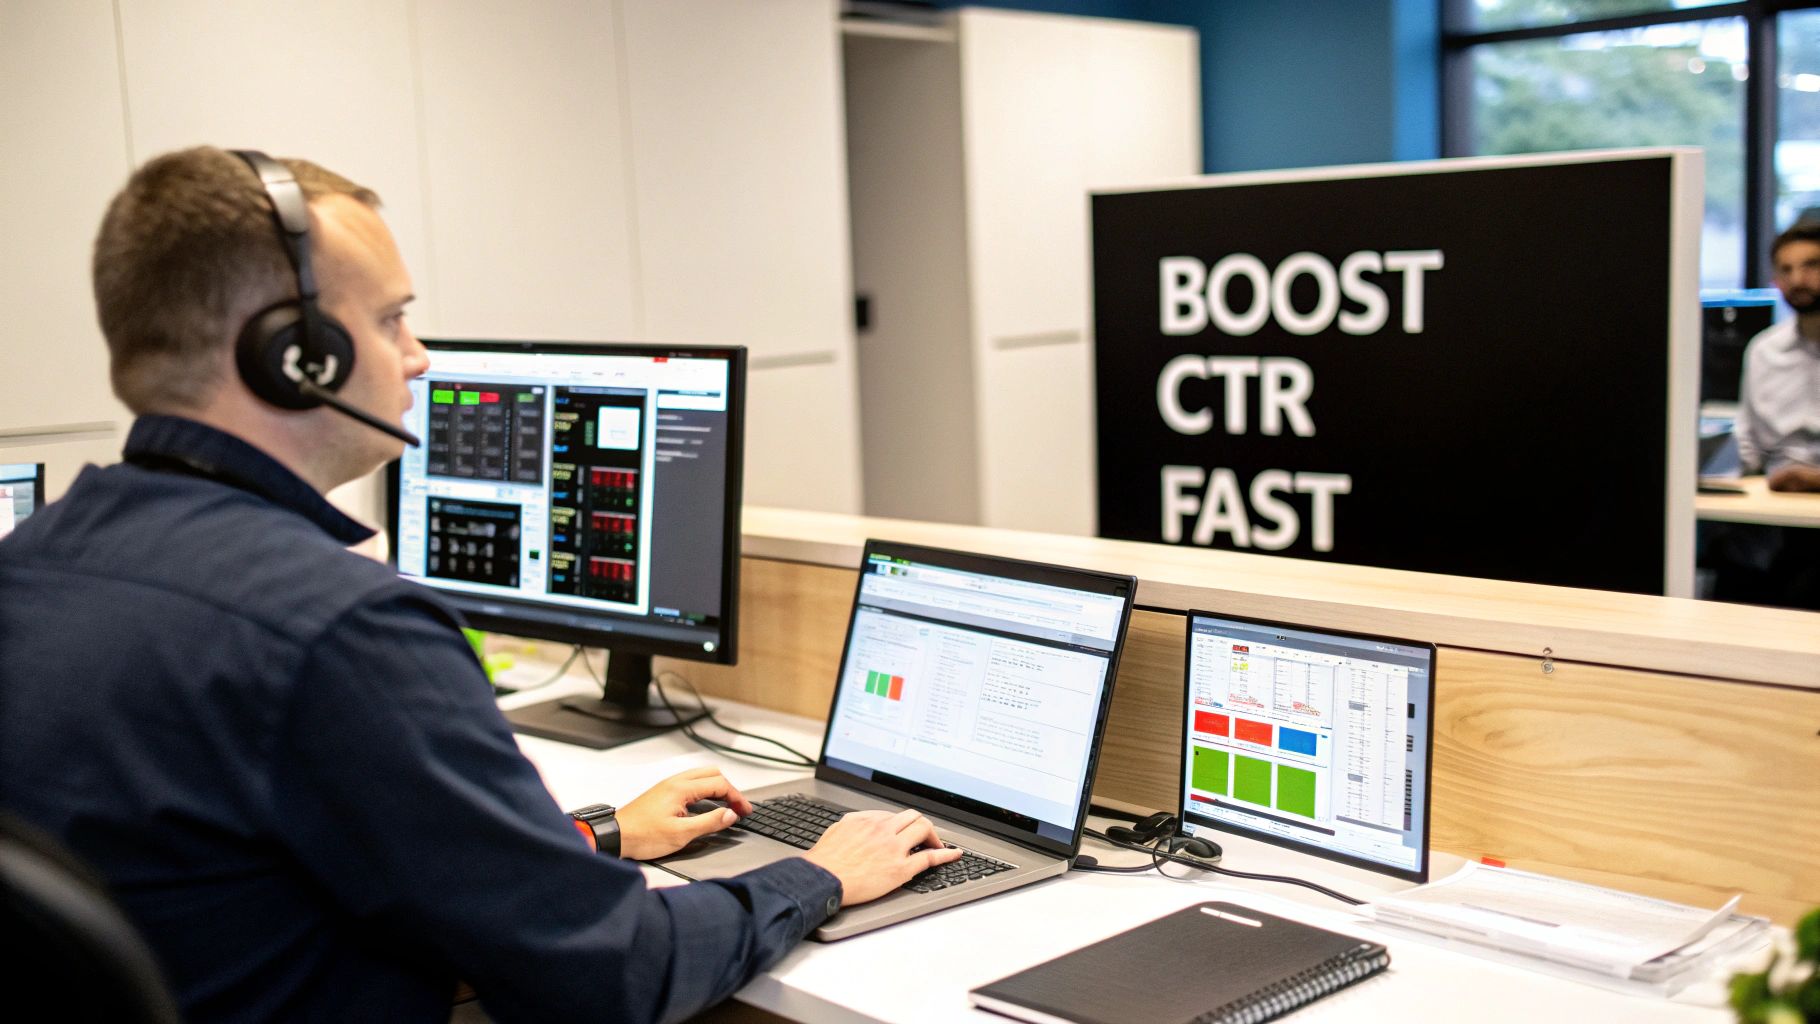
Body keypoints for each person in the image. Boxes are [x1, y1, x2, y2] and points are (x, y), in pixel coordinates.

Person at [0, 146, 960, 1023]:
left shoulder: (34, 566)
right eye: (391, 319)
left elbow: (279, 856)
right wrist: (817, 875)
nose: (418, 356)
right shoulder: (340, 629)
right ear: (297, 357)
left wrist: (593, 838)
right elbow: (614, 974)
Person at [1736, 221, 1820, 492]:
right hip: (1775, 496)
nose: (1797, 281)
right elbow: (1748, 444)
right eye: (1786, 270)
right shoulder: (1764, 351)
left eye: (1811, 266)